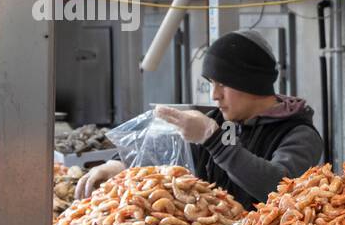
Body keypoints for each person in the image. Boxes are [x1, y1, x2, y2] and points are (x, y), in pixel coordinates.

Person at [77, 31, 323, 210]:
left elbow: (278, 186)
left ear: (251, 83)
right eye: (211, 84)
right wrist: (115, 166)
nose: (215, 95)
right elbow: (159, 153)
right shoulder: (217, 120)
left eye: (223, 84)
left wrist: (214, 141)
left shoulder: (298, 134)